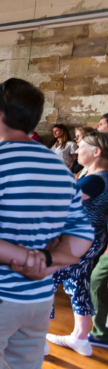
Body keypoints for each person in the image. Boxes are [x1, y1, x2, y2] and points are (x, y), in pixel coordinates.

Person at [0, 78, 94, 369]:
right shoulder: (59, 168)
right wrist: (46, 261)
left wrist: (30, 259)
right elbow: (81, 236)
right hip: (37, 300)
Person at [46, 132, 108, 356]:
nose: (76, 151)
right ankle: (80, 338)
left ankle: (34, 339)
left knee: (45, 279)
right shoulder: (93, 175)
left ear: (96, 152)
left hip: (79, 241)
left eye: (81, 147)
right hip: (92, 239)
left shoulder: (96, 180)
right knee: (77, 283)